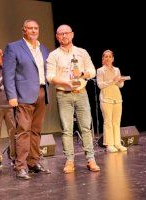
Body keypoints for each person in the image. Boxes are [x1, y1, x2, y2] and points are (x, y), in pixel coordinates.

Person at [46, 24, 100, 173]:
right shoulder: (53, 55)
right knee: (67, 129)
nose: (64, 36)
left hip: (81, 93)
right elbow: (49, 77)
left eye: (66, 33)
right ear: (57, 37)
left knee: (86, 128)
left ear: (72, 34)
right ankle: (70, 161)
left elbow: (92, 71)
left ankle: (91, 159)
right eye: (61, 34)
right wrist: (65, 82)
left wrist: (81, 74)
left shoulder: (82, 52)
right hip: (63, 95)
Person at [3, 19, 51, 180]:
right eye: (30, 28)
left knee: (36, 130)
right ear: (24, 30)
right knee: (23, 130)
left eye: (36, 28)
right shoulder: (14, 47)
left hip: (42, 92)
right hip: (23, 95)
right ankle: (20, 166)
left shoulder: (43, 48)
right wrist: (11, 96)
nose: (33, 31)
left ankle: (33, 162)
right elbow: (8, 74)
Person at [96, 50, 128, 153]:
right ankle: (109, 144)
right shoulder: (100, 70)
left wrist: (120, 81)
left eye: (110, 56)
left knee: (116, 122)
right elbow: (100, 85)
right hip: (106, 99)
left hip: (117, 98)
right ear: (103, 59)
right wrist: (112, 80)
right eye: (106, 56)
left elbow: (120, 86)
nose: (108, 58)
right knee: (108, 122)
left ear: (113, 58)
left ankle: (117, 143)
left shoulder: (117, 70)